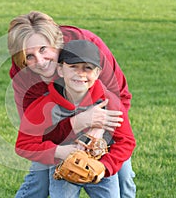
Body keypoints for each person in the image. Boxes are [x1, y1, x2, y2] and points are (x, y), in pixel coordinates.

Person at [8, 11, 136, 198]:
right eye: (29, 56)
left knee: (123, 179)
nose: (40, 62)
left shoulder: (88, 48)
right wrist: (75, 125)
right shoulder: (24, 76)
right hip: (59, 141)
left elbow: (121, 97)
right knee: (39, 183)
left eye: (43, 49)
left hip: (104, 125)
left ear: (57, 42)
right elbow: (34, 135)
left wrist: (99, 130)